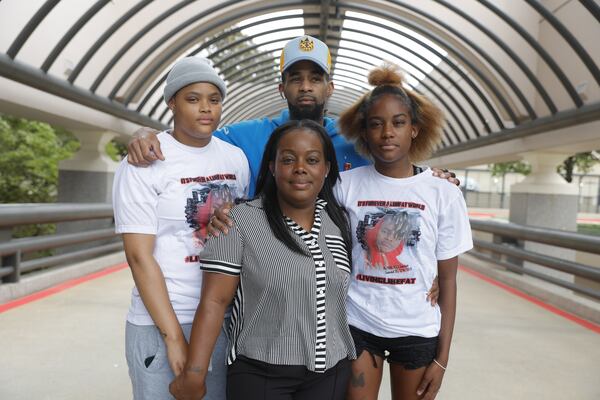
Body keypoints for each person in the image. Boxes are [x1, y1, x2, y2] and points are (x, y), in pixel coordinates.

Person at [169, 120, 356, 400]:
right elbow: (214, 302)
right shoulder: (237, 222)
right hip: (261, 374)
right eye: (288, 159)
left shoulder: (339, 220)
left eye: (313, 160)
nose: (300, 168)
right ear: (272, 166)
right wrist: (194, 375)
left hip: (330, 374)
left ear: (327, 169)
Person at [112, 56, 250, 400]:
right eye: (193, 99)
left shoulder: (235, 158)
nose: (206, 108)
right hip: (162, 320)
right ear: (171, 102)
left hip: (221, 319)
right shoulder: (144, 163)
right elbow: (139, 257)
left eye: (214, 100)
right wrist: (173, 337)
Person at [336, 64, 473, 400]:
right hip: (358, 324)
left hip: (416, 329)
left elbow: (449, 281)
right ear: (364, 132)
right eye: (376, 124)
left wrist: (442, 359)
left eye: (398, 123)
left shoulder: (442, 192)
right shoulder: (344, 185)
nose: (387, 133)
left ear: (414, 129)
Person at [127, 35, 369, 197]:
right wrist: (147, 134)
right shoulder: (248, 136)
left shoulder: (355, 140)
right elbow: (192, 137)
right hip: (267, 262)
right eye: (295, 78)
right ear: (281, 88)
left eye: (315, 78)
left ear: (330, 88)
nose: (305, 86)